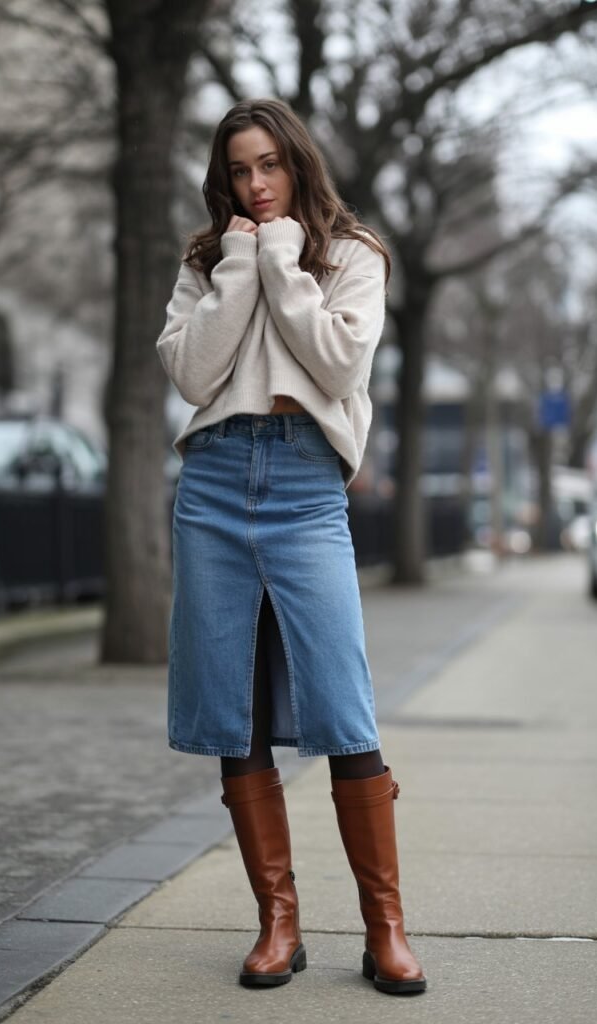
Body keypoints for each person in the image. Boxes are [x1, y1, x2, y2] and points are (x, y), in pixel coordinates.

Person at [156, 97, 426, 996]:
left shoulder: (352, 255)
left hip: (306, 485)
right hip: (216, 485)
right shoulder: (205, 262)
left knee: (344, 705)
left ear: (297, 164)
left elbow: (338, 364)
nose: (257, 183)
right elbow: (195, 372)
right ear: (222, 178)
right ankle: (280, 924)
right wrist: (240, 263)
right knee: (234, 706)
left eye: (270, 163)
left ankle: (385, 926)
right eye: (240, 169)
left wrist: (281, 261)